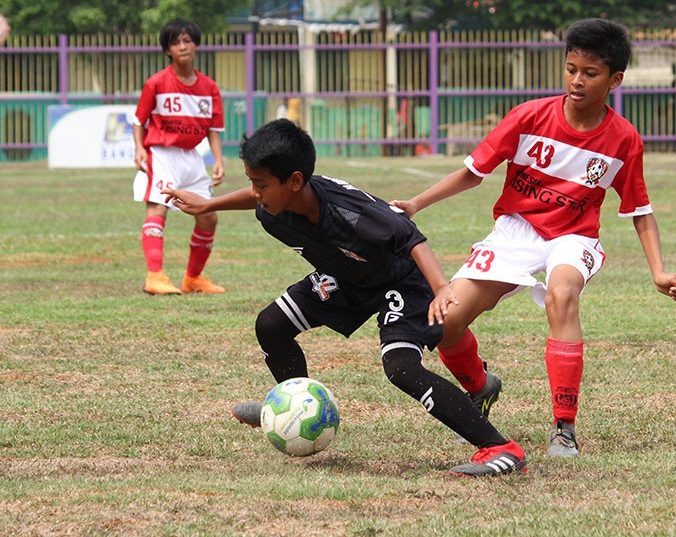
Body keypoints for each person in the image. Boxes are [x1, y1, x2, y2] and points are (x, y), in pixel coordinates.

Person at [391, 18, 676, 458]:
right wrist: (416, 204)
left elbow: (639, 213)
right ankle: (480, 387)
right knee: (446, 322)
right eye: (571, 68)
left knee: (562, 294)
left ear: (615, 79)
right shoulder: (529, 116)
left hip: (574, 237)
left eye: (590, 73)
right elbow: (473, 174)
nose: (576, 80)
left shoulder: (623, 140)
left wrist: (659, 272)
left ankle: (563, 427)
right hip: (515, 231)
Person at [163, 119, 527, 477]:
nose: (255, 193)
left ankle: (500, 448)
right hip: (349, 276)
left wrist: (443, 288)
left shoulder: (351, 213)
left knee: (401, 368)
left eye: (260, 184)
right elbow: (258, 197)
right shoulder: (277, 206)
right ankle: (292, 405)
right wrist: (207, 205)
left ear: (294, 181)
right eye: (252, 183)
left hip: (402, 279)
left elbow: (410, 239)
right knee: (271, 324)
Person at [132, 18, 226, 296]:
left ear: (196, 45)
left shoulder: (209, 88)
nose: (182, 46)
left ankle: (193, 278)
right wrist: (139, 149)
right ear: (167, 50)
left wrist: (219, 161)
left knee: (208, 216)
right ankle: (155, 276)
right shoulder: (156, 83)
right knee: (157, 210)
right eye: (175, 42)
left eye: (187, 40)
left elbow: (213, 130)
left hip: (192, 157)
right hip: (161, 153)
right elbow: (139, 121)